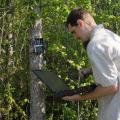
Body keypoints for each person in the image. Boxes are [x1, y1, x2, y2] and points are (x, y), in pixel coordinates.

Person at [62, 7, 120, 120]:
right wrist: (90, 69)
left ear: (80, 23)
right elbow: (113, 64)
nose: (75, 37)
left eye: (74, 32)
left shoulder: (95, 45)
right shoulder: (109, 36)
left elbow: (111, 87)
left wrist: (79, 97)